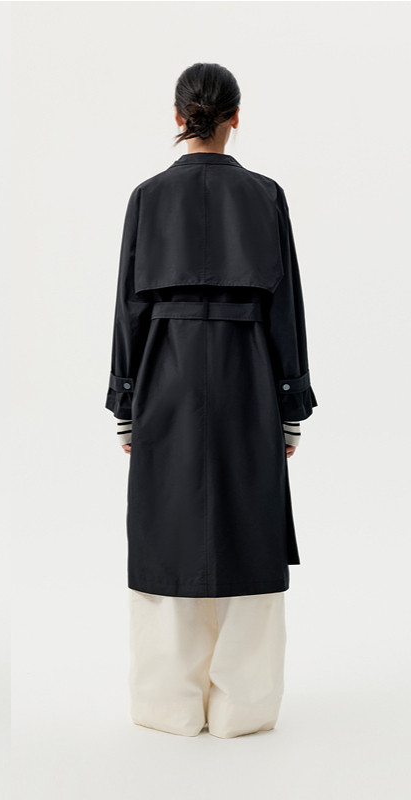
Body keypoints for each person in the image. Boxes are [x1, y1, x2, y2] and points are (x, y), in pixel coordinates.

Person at [106, 62, 317, 739]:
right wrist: (291, 403)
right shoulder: (264, 195)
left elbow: (130, 307)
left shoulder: (147, 197)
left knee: (167, 528)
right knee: (248, 525)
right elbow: (285, 305)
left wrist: (125, 402)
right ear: (235, 117)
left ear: (178, 118)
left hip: (164, 374)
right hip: (247, 373)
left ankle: (169, 703)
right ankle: (243, 708)